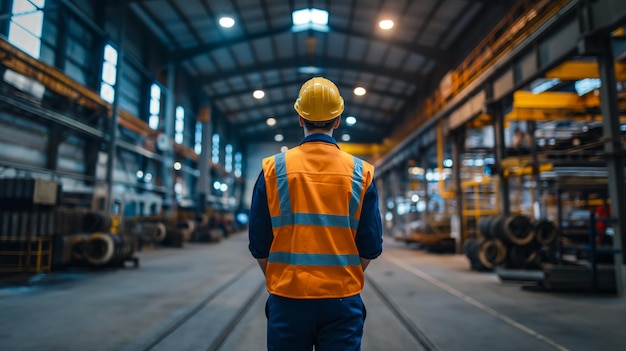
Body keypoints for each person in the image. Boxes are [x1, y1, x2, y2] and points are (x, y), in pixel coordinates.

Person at [248, 77, 383, 351]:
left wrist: (283, 278)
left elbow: (258, 243)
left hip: (288, 298)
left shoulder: (273, 170)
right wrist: (342, 277)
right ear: (338, 119)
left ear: (300, 118)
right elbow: (370, 246)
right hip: (342, 302)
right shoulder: (361, 173)